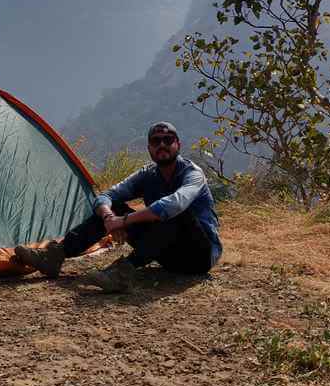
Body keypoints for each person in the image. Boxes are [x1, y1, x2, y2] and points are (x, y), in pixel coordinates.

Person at [14, 121, 222, 292]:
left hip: (198, 257)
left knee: (176, 214)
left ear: (178, 144)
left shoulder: (192, 174)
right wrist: (109, 219)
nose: (162, 145)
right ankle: (54, 256)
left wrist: (124, 221)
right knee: (113, 207)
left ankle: (122, 274)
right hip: (167, 255)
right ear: (149, 148)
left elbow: (173, 205)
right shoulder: (147, 174)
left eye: (168, 140)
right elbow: (105, 196)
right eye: (156, 141)